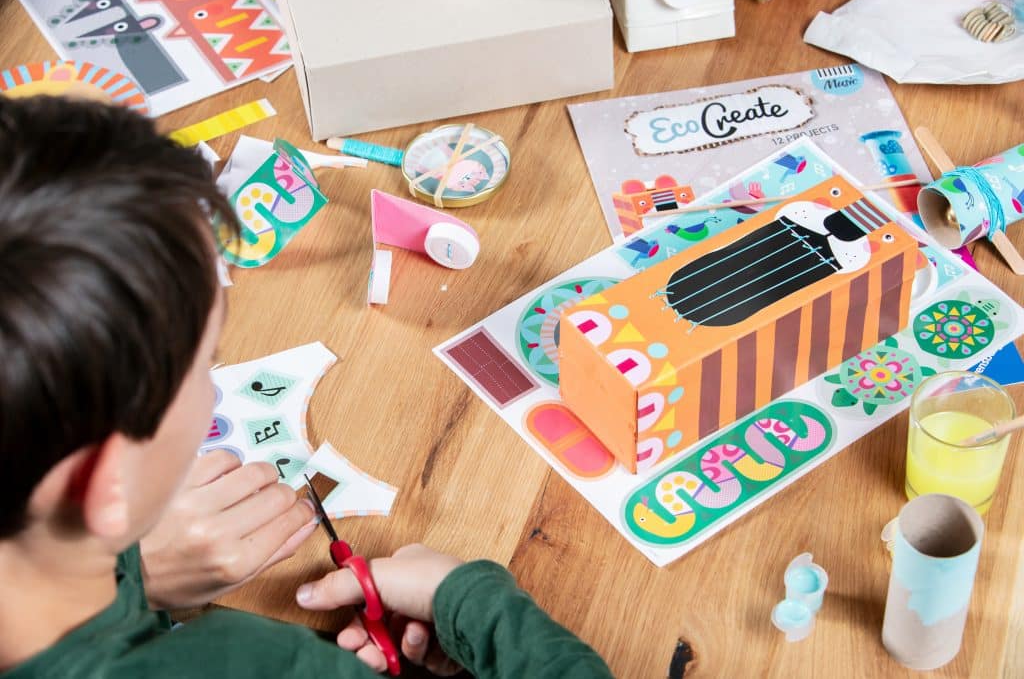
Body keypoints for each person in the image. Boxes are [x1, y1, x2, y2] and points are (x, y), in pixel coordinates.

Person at [0, 95, 612, 678]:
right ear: (103, 486)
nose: (214, 388)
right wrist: (478, 609)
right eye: (205, 366)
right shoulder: (271, 666)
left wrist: (122, 582)